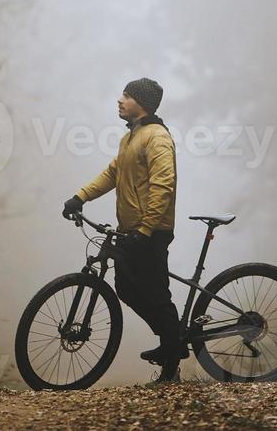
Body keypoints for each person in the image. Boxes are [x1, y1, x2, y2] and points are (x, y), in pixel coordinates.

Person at [62, 77, 185, 382]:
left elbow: (163, 185)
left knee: (156, 294)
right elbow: (112, 174)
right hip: (132, 230)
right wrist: (80, 197)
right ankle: (172, 340)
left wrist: (146, 229)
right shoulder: (131, 137)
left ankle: (172, 356)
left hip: (151, 231)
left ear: (141, 104)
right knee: (127, 289)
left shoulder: (156, 137)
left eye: (127, 96)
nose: (120, 100)